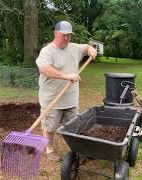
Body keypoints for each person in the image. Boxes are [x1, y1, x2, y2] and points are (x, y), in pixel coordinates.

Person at [35, 20, 97, 161]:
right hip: (52, 100)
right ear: (55, 33)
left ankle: (78, 150)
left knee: (75, 127)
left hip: (71, 99)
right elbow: (44, 69)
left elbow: (87, 47)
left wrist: (91, 49)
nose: (67, 38)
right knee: (50, 128)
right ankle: (49, 150)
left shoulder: (73, 47)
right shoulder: (47, 51)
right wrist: (66, 76)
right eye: (64, 35)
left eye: (69, 35)